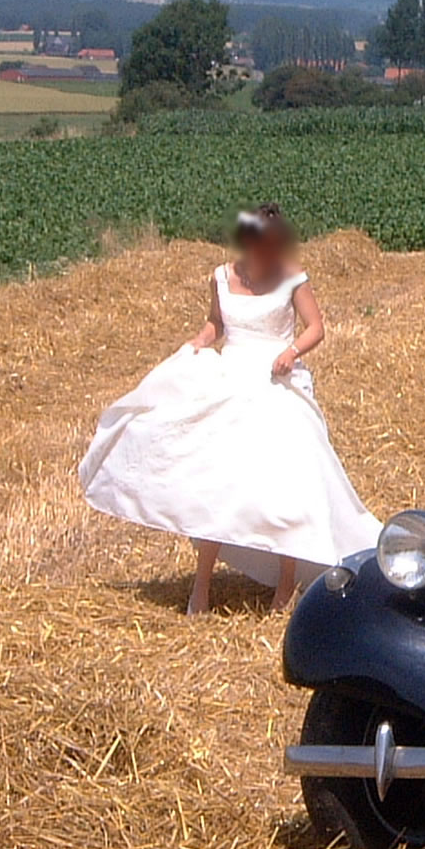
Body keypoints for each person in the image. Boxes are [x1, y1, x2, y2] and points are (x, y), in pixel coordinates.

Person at [79, 204, 381, 614]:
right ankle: (200, 588)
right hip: (231, 382)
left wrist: (292, 352)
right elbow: (215, 324)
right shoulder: (221, 276)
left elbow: (316, 328)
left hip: (278, 383)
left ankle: (285, 586)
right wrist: (199, 341)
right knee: (217, 484)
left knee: (286, 482)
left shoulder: (291, 276)